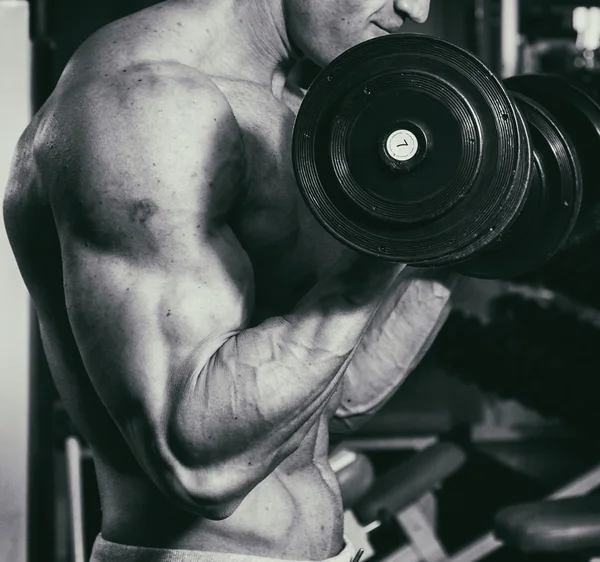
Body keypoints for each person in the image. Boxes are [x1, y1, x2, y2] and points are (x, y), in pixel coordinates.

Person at [4, 0, 454, 560]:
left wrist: (454, 245)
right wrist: (395, 239)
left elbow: (326, 408)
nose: (416, 8)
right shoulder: (144, 107)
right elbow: (198, 465)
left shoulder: (293, 103)